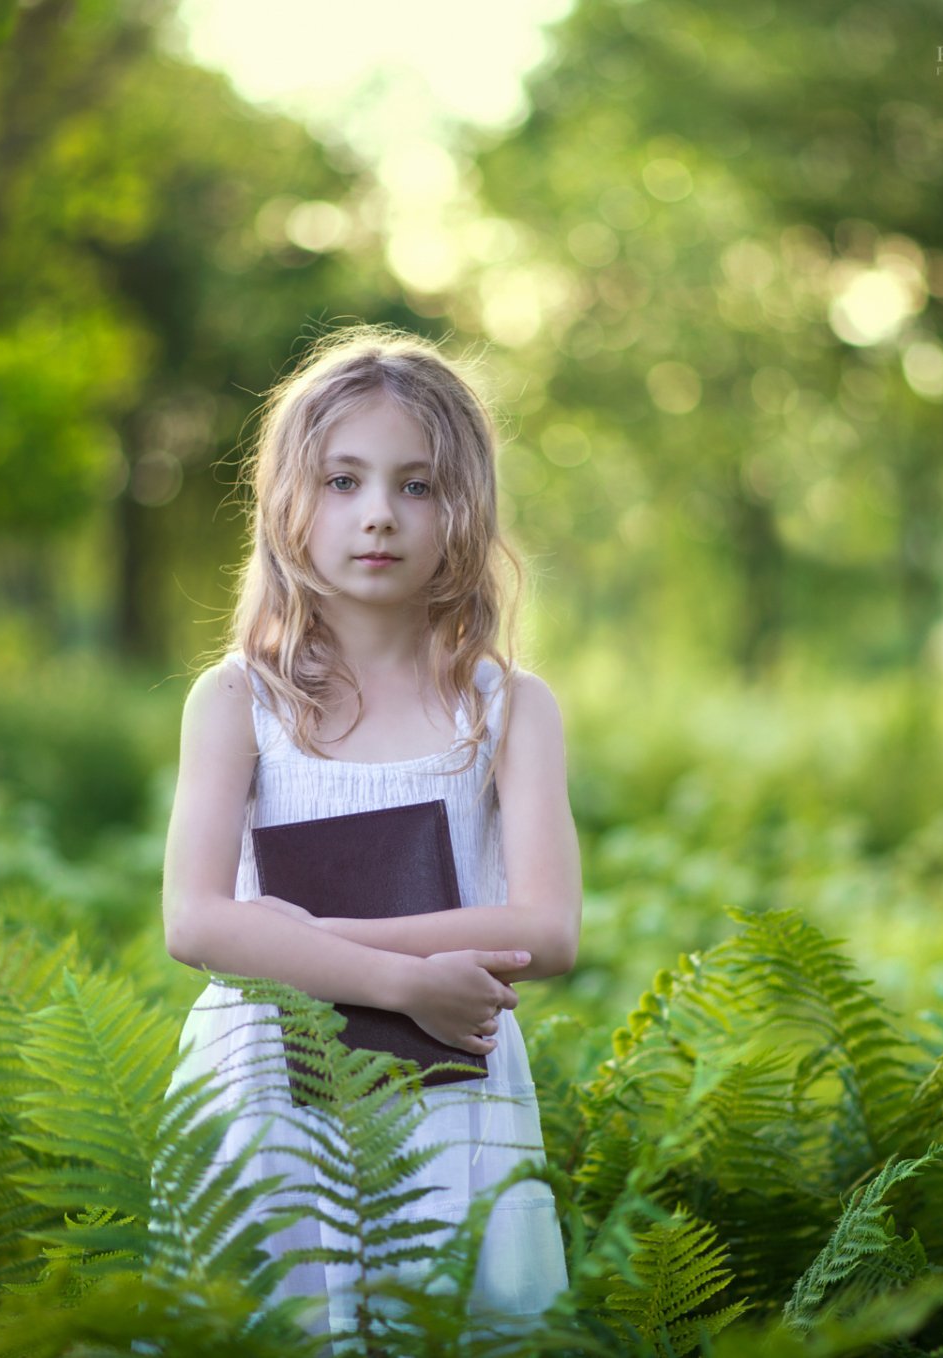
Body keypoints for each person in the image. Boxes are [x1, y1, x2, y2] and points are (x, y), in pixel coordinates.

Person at [155, 323, 580, 1343]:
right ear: (289, 501)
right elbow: (196, 921)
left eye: (417, 485)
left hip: (455, 1089)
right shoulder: (235, 701)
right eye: (343, 481)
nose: (379, 514)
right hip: (266, 1080)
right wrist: (403, 981)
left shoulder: (510, 706)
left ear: (463, 507)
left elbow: (550, 929)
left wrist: (293, 933)